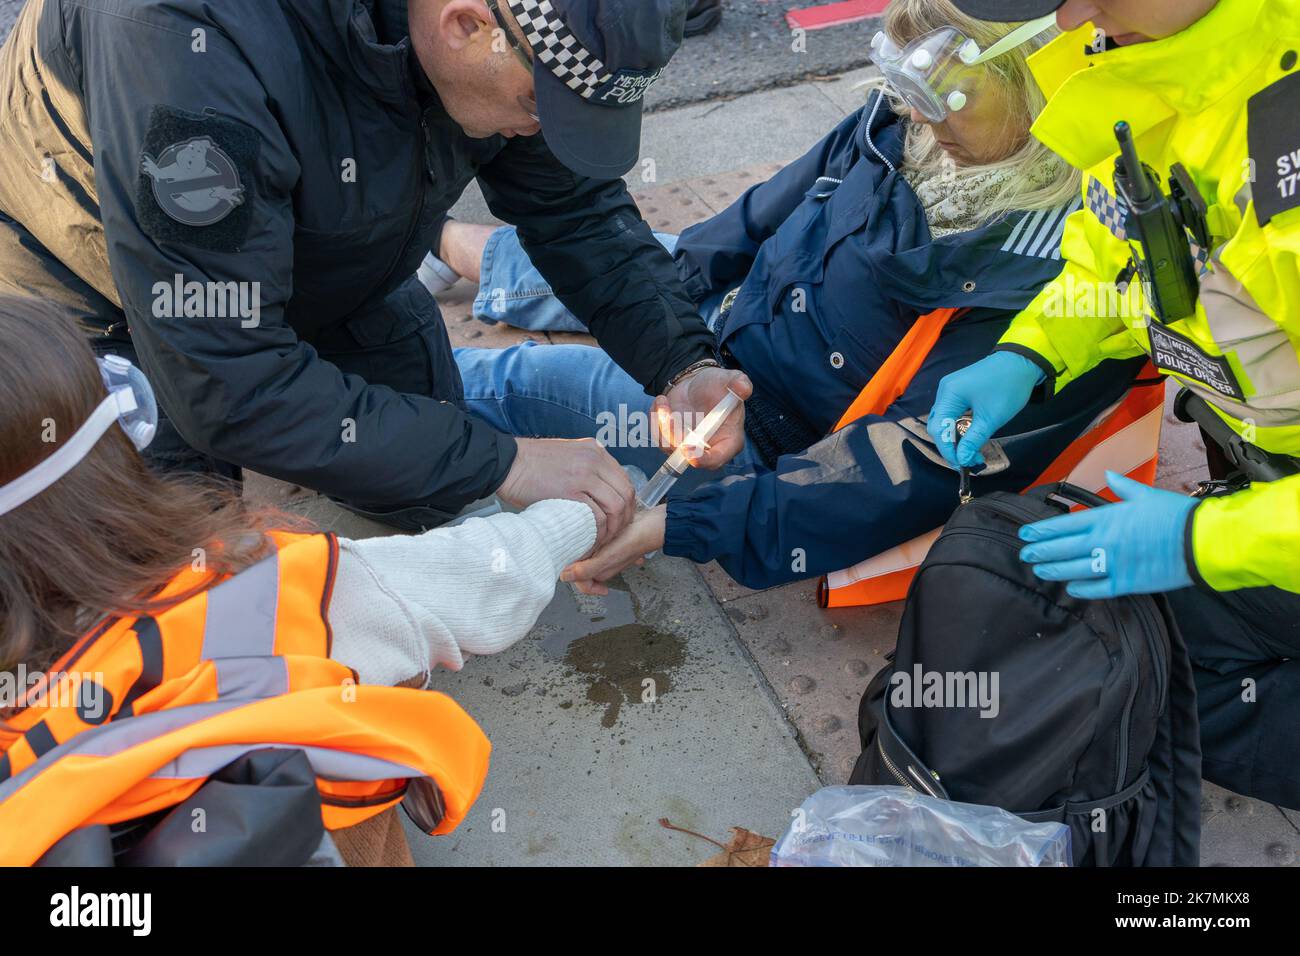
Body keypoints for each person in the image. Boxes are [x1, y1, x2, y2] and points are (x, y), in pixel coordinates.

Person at [435, 0, 1147, 594]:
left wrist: (682, 524)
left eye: (939, 92)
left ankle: (418, 285)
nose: (908, 110)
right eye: (898, 74)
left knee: (520, 374)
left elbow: (900, 471)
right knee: (621, 265)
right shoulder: (904, 127)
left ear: (1043, 83)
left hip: (763, 450)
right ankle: (437, 243)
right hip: (726, 350)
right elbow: (746, 226)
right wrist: (678, 350)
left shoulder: (1072, 278)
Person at [0, 0, 748, 546]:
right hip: (90, 301)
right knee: (178, 579)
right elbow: (225, 381)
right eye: (539, 106)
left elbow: (577, 210)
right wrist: (506, 460)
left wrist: (679, 355)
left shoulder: (518, 32)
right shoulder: (180, 41)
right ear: (463, 26)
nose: (543, 130)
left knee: (426, 489)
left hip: (323, 243)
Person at [0, 294, 599, 865]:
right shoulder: (256, 597)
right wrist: (582, 517)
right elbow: (480, 582)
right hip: (274, 830)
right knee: (357, 692)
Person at [927, 0, 1300, 809]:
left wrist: (1207, 540)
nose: (1070, 13)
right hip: (1264, 486)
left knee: (1151, 685)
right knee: (1111, 658)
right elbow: (1117, 258)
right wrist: (1029, 353)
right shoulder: (1134, 58)